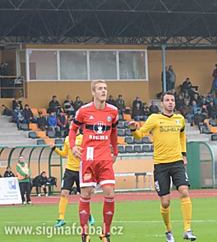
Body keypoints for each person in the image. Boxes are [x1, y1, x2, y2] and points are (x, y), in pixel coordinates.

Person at [129, 92, 196, 242]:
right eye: (167, 100)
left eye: (172, 100)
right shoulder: (154, 119)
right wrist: (134, 129)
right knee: (165, 202)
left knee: (184, 191)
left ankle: (188, 229)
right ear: (162, 104)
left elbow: (182, 136)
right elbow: (140, 135)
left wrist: (183, 153)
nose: (170, 102)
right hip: (160, 165)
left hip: (177, 162)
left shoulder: (180, 119)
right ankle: (168, 231)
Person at [68, 80, 119, 242]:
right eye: (99, 89)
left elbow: (114, 133)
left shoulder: (113, 111)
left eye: (105, 88)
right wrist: (72, 146)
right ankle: (85, 233)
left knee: (110, 193)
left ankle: (106, 233)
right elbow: (73, 129)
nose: (103, 91)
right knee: (86, 193)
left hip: (105, 158)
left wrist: (115, 151)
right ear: (93, 92)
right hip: (88, 157)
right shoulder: (83, 111)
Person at [53, 131, 95, 227]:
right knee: (64, 193)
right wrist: (54, 149)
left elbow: (88, 150)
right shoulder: (67, 139)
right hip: (69, 170)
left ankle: (89, 216)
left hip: (81, 170)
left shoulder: (84, 137)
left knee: (84, 195)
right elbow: (64, 154)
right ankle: (61, 218)